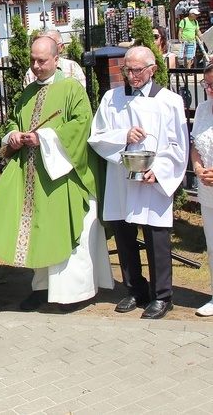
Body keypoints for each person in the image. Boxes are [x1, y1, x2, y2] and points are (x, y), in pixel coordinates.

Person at [0, 37, 114, 311]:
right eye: (33, 60)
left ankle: (74, 293)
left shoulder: (72, 88)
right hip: (33, 177)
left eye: (42, 61)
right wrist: (14, 136)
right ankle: (42, 289)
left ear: (56, 59)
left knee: (66, 233)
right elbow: (13, 121)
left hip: (64, 176)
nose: (36, 66)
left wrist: (45, 138)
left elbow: (81, 126)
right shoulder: (28, 92)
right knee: (38, 232)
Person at [88, 46, 188, 320]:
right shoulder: (112, 98)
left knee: (156, 238)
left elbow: (180, 145)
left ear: (152, 69)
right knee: (124, 235)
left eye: (137, 70)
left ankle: (162, 295)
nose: (131, 76)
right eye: (127, 70)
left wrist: (162, 171)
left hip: (152, 180)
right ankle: (135, 289)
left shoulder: (169, 101)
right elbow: (97, 136)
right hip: (122, 178)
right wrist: (124, 136)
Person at [190, 63, 213, 316]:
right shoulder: (204, 109)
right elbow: (196, 144)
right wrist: (197, 168)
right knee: (212, 244)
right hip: (207, 189)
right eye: (206, 85)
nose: (210, 90)